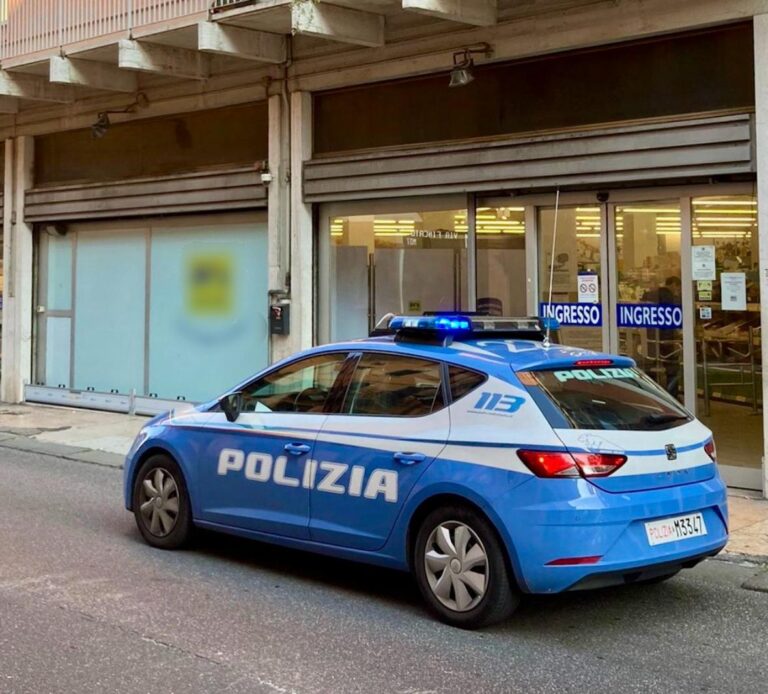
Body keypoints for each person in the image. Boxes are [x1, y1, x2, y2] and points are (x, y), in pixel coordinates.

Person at [641, 276, 682, 400]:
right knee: (672, 367)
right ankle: (671, 395)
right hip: (667, 336)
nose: (678, 290)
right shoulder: (671, 298)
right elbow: (676, 317)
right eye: (678, 287)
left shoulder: (650, 294)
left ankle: (652, 392)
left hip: (650, 336)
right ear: (674, 284)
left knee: (651, 365)